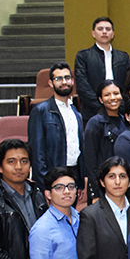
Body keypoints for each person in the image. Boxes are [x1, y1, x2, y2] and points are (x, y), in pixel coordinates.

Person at [28, 61, 83, 190]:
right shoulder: (40, 111)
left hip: (73, 175)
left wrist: (79, 183)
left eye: (67, 78)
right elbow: (36, 152)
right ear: (51, 83)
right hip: (52, 177)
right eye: (58, 79)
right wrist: (45, 185)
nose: (64, 82)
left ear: (73, 82)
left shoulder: (76, 112)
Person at [74, 17, 130, 123]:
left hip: (120, 112)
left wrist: (119, 105)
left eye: (108, 29)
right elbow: (82, 87)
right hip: (92, 112)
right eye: (100, 29)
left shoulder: (123, 57)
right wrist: (102, 105)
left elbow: (128, 84)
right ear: (93, 33)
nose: (104, 32)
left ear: (113, 34)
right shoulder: (83, 56)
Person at [83, 80, 129, 201]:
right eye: (107, 95)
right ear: (100, 99)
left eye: (116, 93)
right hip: (103, 187)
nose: (113, 98)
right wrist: (95, 193)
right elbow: (90, 161)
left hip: (123, 185)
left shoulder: (126, 120)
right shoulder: (95, 123)